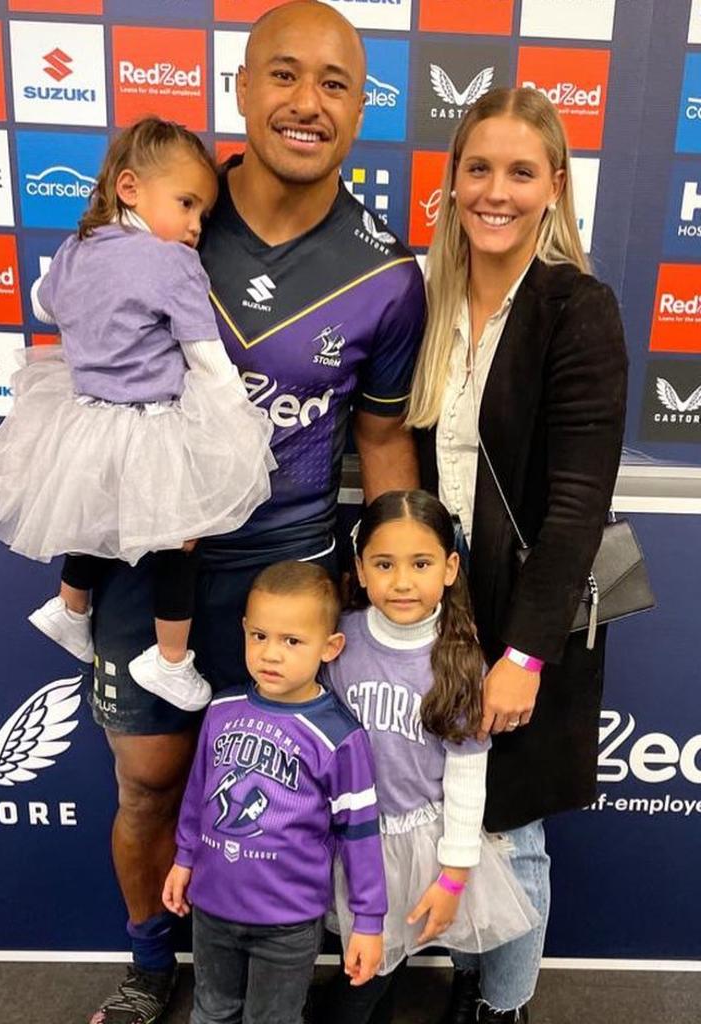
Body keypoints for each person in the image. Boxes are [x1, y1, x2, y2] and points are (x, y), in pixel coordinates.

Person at [85, 5, 424, 1022]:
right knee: (149, 784)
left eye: (334, 83)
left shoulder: (386, 273)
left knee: (282, 799)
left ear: (363, 108)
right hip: (150, 553)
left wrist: (408, 583)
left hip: (291, 569)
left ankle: (266, 982)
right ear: (240, 85)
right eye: (284, 74)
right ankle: (152, 969)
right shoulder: (163, 215)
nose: (306, 103)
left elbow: (381, 440)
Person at [409, 87, 628, 1023]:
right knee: (448, 809)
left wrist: (525, 653)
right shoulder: (430, 296)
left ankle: (506, 1007)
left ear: (553, 187)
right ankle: (468, 979)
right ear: (454, 181)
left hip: (528, 613)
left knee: (513, 823)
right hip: (440, 600)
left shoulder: (577, 306)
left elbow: (578, 507)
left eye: (520, 172)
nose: (495, 191)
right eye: (478, 168)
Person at [0, 117, 275, 712]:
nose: (192, 227)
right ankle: (169, 661)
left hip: (84, 421)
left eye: (202, 216)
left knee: (94, 518)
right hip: (151, 424)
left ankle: (70, 607)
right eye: (186, 205)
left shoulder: (75, 249)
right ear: (130, 188)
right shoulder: (173, 264)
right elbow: (204, 350)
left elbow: (42, 301)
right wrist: (237, 413)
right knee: (179, 542)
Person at [321, 490, 539, 1024]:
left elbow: (467, 774)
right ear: (360, 569)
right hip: (348, 838)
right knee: (362, 959)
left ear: (449, 567)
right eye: (384, 564)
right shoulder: (341, 643)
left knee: (375, 964)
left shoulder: (458, 657)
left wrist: (454, 875)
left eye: (420, 564)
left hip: (416, 843)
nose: (400, 582)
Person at [162, 561, 386, 1023]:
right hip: (212, 907)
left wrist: (368, 922)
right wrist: (184, 858)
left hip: (287, 921)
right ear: (243, 630)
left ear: (330, 647)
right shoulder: (222, 709)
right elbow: (199, 794)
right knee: (211, 1010)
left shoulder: (338, 737)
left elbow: (360, 836)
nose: (271, 654)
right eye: (259, 636)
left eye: (292, 641)